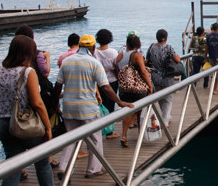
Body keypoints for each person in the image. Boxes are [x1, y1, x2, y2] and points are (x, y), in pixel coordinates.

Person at [54, 34, 133, 180]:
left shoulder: (66, 61)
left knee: (70, 139)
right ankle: (93, 170)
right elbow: (106, 87)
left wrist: (55, 104)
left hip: (69, 108)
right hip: (87, 109)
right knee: (95, 138)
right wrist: (119, 102)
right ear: (92, 47)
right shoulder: (94, 62)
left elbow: (58, 85)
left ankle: (63, 167)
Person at [0, 35, 54, 186]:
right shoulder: (28, 72)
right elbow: (37, 103)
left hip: (5, 125)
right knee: (42, 163)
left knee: (12, 167)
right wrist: (48, 128)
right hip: (27, 124)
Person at [116, 34, 153, 147]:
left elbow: (117, 69)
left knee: (127, 111)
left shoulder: (120, 55)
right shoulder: (137, 55)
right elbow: (142, 71)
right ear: (138, 44)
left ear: (127, 43)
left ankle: (124, 136)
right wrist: (150, 86)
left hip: (124, 88)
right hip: (137, 88)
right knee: (139, 112)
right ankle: (140, 135)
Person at [146, 29, 181, 127]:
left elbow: (147, 60)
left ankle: (166, 117)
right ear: (166, 38)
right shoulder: (168, 48)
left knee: (161, 99)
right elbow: (177, 59)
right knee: (167, 100)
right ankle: (164, 122)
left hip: (155, 78)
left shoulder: (152, 47)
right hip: (167, 78)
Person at [93, 29, 120, 139]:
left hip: (99, 82)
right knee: (111, 106)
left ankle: (99, 130)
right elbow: (116, 66)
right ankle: (109, 131)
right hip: (112, 81)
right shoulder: (113, 52)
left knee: (100, 106)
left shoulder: (94, 52)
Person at [205, 23, 218, 93]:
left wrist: (205, 57)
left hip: (211, 57)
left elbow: (206, 48)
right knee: (217, 73)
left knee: (213, 73)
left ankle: (214, 86)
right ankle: (215, 88)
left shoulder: (208, 36)